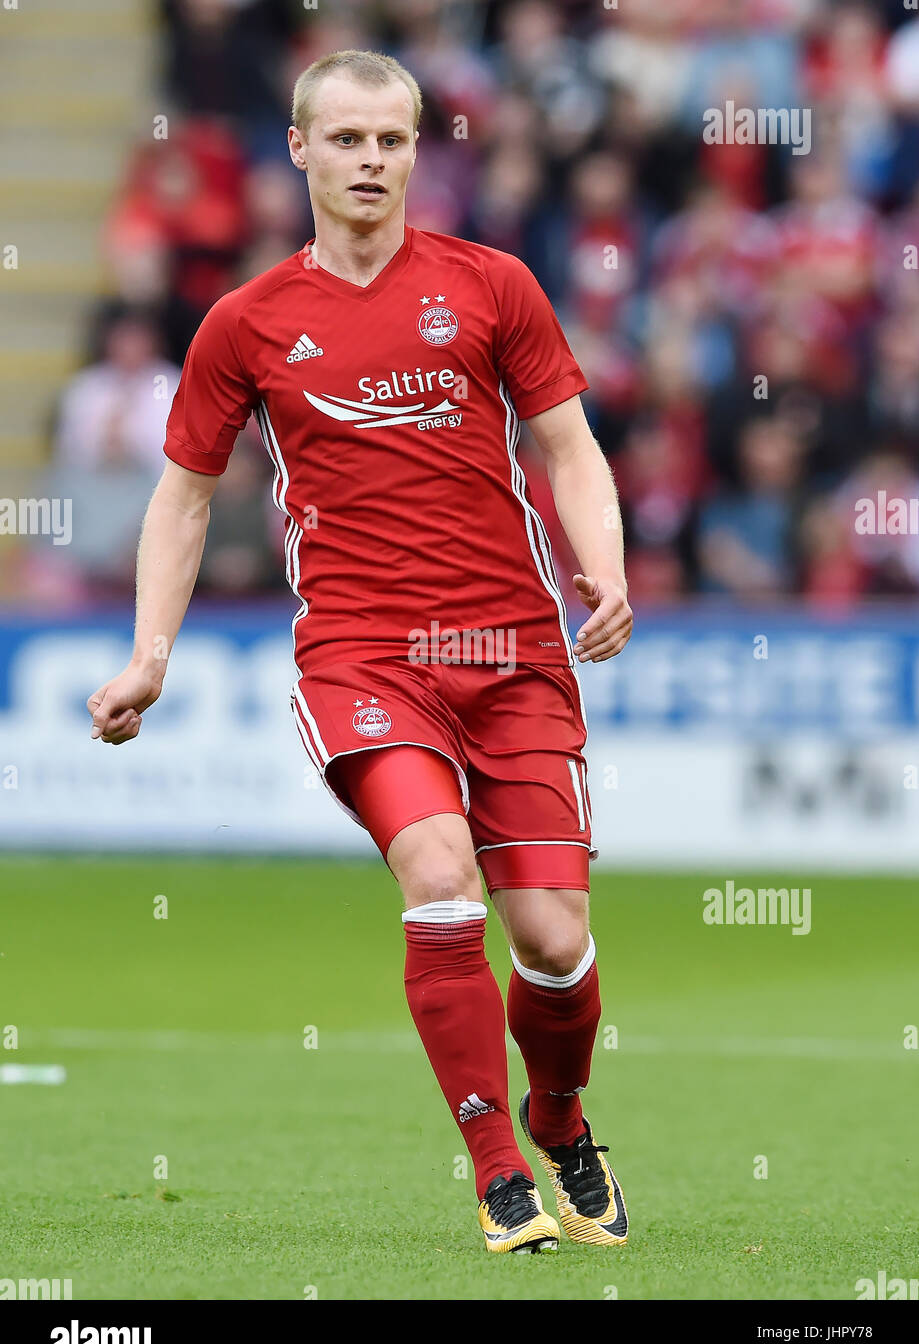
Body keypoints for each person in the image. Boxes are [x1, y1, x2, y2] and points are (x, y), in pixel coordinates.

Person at [86, 49, 633, 1254]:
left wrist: (606, 564)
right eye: (346, 141)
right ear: (300, 151)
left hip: (512, 652)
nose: (371, 161)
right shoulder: (248, 321)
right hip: (363, 658)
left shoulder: (493, 286)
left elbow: (567, 445)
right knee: (439, 876)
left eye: (391, 141)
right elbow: (182, 497)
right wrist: (150, 655)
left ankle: (558, 1113)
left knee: (550, 940)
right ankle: (498, 1174)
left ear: (417, 149)